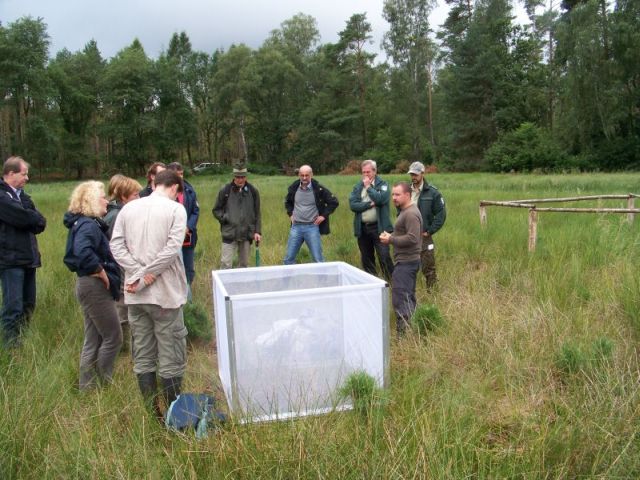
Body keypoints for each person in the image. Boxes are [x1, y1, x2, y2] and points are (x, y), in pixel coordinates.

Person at [110, 169, 188, 419]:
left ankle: (153, 414)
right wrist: (145, 276)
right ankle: (173, 417)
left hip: (135, 296)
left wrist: (136, 274)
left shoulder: (128, 208)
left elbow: (116, 246)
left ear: (155, 183)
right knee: (170, 354)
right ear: (174, 188)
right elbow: (171, 250)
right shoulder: (176, 210)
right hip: (164, 296)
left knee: (143, 354)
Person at [63, 181, 123, 390]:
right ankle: (104, 383)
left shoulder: (84, 223)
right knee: (113, 337)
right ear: (90, 201)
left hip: (87, 286)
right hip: (94, 287)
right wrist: (100, 271)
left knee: (94, 338)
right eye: (102, 197)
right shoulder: (88, 225)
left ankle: (87, 387)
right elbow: (82, 252)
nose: (106, 201)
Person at [0, 156, 47, 348]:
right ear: (11, 174)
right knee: (13, 307)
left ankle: (22, 340)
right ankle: (11, 347)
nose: (27, 178)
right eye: (24, 174)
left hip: (29, 258)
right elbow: (22, 218)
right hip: (10, 260)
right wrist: (30, 217)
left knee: (29, 304)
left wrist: (30, 217)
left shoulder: (22, 196)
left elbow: (39, 222)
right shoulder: (2, 196)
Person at [103, 174, 142, 352]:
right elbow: (113, 250)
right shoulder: (115, 216)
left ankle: (125, 348)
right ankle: (120, 348)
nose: (139, 198)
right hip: (119, 275)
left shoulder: (124, 213)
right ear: (123, 197)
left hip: (124, 274)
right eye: (135, 195)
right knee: (121, 314)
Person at [379, 182, 422, 335]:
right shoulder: (405, 211)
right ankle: (413, 329)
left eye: (397, 194)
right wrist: (392, 236)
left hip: (407, 262)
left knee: (400, 297)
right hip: (405, 261)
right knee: (407, 295)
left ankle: (403, 335)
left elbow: (413, 239)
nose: (394, 198)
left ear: (407, 195)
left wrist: (391, 240)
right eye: (392, 194)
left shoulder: (410, 214)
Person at [348, 159, 394, 280]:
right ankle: (373, 284)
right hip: (362, 228)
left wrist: (369, 187)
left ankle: (391, 283)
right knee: (367, 258)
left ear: (375, 171)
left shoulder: (383, 184)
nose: (366, 175)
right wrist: (369, 205)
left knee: (384, 257)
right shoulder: (358, 186)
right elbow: (353, 205)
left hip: (379, 228)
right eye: (363, 172)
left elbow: (380, 199)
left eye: (368, 172)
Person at [283, 165, 339, 264]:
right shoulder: (293, 188)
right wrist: (290, 214)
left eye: (307, 175)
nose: (304, 178)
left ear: (311, 175)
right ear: (299, 175)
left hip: (312, 227)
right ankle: (290, 279)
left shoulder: (319, 189)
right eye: (302, 175)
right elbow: (287, 202)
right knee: (288, 259)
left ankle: (321, 279)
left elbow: (334, 202)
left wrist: (323, 216)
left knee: (318, 259)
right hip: (296, 227)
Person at [212, 164, 262, 269]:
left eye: (242, 177)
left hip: (247, 233)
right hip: (229, 233)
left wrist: (257, 231)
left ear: (246, 177)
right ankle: (224, 284)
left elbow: (257, 213)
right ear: (234, 176)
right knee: (226, 264)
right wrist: (226, 217)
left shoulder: (253, 191)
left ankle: (242, 285)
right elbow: (216, 210)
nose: (240, 179)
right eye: (238, 177)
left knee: (244, 265)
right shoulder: (225, 191)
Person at [408, 161, 446, 289]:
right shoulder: (406, 191)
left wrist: (429, 231)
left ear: (422, 174)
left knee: (429, 267)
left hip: (425, 236)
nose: (413, 177)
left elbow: (441, 214)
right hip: (409, 235)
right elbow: (400, 210)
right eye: (411, 174)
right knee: (408, 266)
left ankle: (433, 293)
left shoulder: (433, 193)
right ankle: (409, 293)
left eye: (416, 174)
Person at [166, 162, 200, 291]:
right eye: (176, 174)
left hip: (188, 236)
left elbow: (196, 211)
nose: (180, 177)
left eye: (181, 174)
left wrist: (188, 227)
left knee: (188, 267)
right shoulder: (165, 193)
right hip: (170, 237)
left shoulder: (189, 190)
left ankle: (188, 297)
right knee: (172, 267)